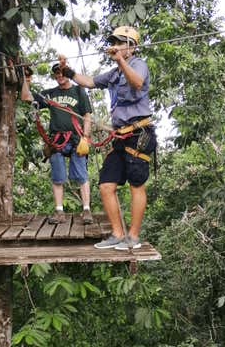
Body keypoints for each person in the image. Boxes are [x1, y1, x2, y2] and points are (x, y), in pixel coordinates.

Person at [60, 26, 157, 250]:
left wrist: (121, 61)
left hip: (138, 134)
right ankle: (117, 233)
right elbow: (90, 82)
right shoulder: (113, 74)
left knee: (136, 185)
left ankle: (133, 236)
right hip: (120, 137)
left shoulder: (137, 64)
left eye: (120, 42)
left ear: (131, 47)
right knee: (106, 185)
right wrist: (69, 73)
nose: (115, 45)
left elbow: (138, 83)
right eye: (113, 42)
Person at [21, 63, 93, 225]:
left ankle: (86, 210)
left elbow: (87, 115)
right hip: (57, 141)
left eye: (62, 72)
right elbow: (26, 97)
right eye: (56, 73)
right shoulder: (50, 94)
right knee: (58, 177)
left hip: (76, 138)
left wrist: (86, 137)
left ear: (67, 73)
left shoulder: (79, 91)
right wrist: (26, 79)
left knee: (81, 175)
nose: (60, 76)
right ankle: (59, 211)